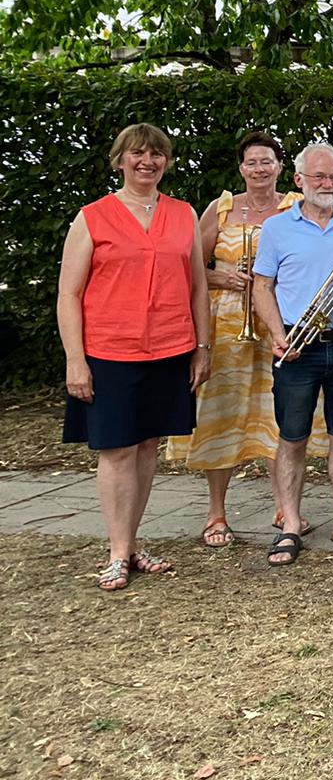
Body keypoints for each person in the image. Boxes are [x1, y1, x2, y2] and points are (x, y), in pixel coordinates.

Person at [58, 124, 210, 591]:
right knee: (118, 448)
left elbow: (198, 285)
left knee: (147, 446)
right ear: (120, 159)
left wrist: (203, 347)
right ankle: (117, 551)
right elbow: (69, 292)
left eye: (157, 154)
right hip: (109, 350)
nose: (148, 161)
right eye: (137, 153)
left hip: (169, 347)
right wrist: (75, 360)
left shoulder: (183, 214)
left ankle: (133, 542)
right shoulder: (93, 216)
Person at [171, 130, 328, 548]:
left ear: (281, 167)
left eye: (267, 161)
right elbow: (188, 267)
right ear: (241, 168)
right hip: (226, 325)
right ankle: (216, 512)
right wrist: (222, 276)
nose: (259, 169)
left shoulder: (298, 207)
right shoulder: (221, 209)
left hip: (280, 322)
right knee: (222, 413)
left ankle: (284, 506)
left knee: (282, 414)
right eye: (251, 162)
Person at [252, 141, 333, 565]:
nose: (328, 184)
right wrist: (276, 334)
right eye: (320, 176)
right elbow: (262, 287)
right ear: (299, 180)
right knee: (292, 437)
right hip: (296, 344)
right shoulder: (275, 227)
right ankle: (290, 524)